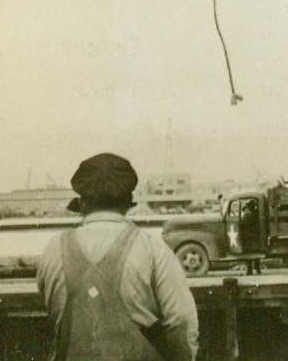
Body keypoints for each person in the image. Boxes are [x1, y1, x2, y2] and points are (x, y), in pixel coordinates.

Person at [37, 152, 199, 361]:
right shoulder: (152, 249)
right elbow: (181, 321)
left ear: (82, 204)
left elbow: (52, 312)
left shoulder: (53, 249)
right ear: (128, 203)